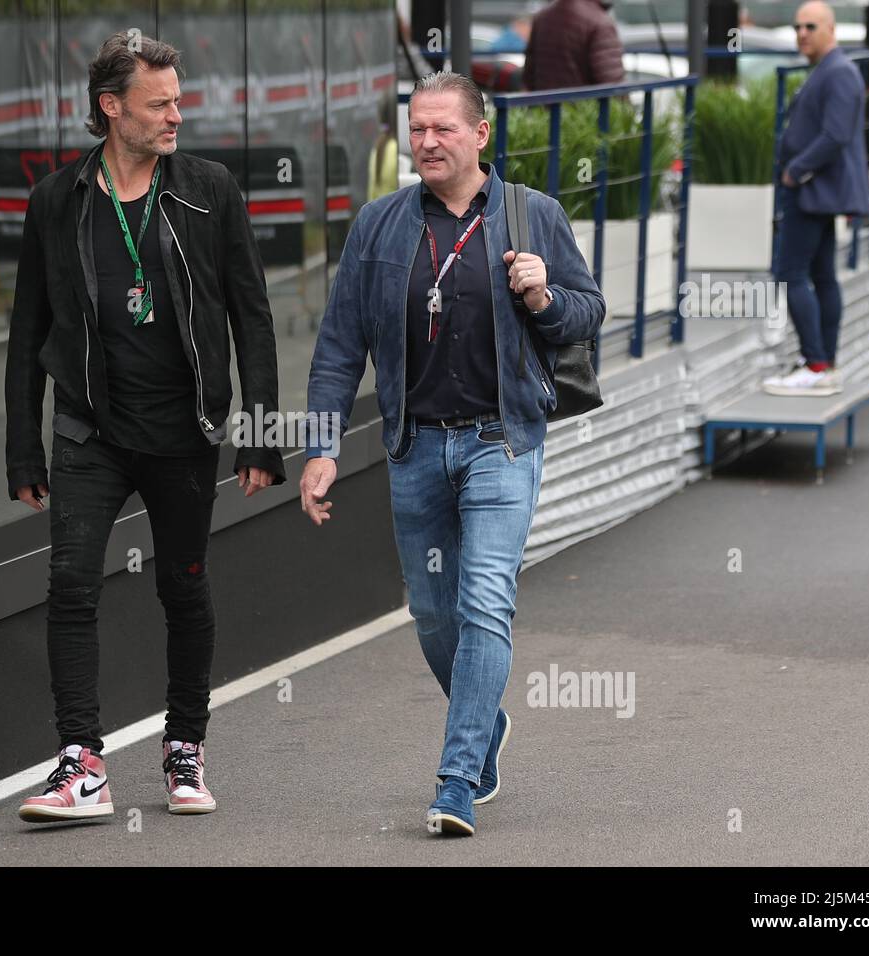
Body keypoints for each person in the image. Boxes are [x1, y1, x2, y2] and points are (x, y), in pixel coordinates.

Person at [300, 71, 605, 836]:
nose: (426, 142)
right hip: (414, 446)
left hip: (500, 442)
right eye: (417, 129)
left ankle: (457, 780)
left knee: (485, 602)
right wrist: (321, 446)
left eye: (442, 129)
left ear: (480, 135)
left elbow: (588, 314)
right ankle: (487, 727)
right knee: (434, 614)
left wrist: (544, 296)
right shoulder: (379, 226)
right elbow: (341, 345)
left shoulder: (531, 215)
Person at [5, 31, 285, 822]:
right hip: (89, 430)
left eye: (178, 101)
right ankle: (81, 764)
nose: (175, 116)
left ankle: (184, 747)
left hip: (184, 430)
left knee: (183, 588)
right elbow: (29, 330)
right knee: (69, 586)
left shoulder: (208, 189)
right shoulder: (56, 201)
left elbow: (252, 317)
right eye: (159, 103)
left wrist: (258, 434)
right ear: (111, 107)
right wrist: (23, 442)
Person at [763, 1, 869, 397]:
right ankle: (824, 364)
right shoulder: (827, 70)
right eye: (797, 27)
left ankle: (816, 364)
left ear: (830, 28)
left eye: (810, 26)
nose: (802, 33)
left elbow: (836, 135)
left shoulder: (839, 72)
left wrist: (796, 171)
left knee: (790, 273)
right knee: (822, 274)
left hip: (811, 191)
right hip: (816, 192)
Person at [521, 0, 625, 91]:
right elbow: (613, 85)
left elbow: (529, 76)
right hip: (584, 111)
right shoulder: (600, 22)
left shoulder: (542, 17)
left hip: (544, 109)